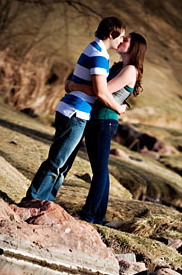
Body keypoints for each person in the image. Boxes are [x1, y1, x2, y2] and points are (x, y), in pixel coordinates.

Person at [23, 17, 128, 203]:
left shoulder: (94, 49)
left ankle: (46, 202)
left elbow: (82, 85)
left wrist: (73, 85)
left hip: (76, 111)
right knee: (57, 162)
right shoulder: (99, 55)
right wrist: (118, 108)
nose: (122, 41)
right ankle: (33, 200)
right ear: (112, 34)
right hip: (75, 112)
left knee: (63, 165)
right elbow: (100, 93)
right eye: (121, 37)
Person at [67, 32, 147, 225]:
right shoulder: (121, 67)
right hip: (98, 119)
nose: (121, 40)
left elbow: (101, 91)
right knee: (99, 169)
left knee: (100, 169)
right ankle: (97, 215)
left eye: (126, 39)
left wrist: (73, 86)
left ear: (134, 47)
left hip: (105, 120)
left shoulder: (130, 70)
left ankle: (90, 215)